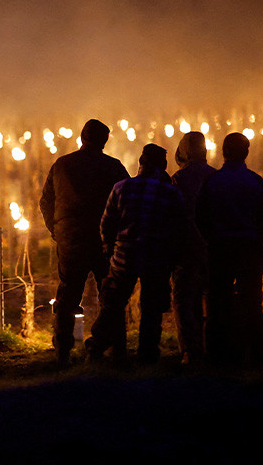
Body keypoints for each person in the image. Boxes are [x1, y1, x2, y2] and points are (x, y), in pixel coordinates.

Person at [86, 144, 188, 364]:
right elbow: (179, 227)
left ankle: (95, 349)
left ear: (140, 164)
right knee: (151, 309)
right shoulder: (170, 192)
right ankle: (147, 356)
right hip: (156, 258)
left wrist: (110, 248)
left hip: (124, 256)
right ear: (163, 166)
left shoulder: (121, 187)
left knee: (113, 305)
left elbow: (106, 224)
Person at [40, 119, 130, 363]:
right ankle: (116, 349)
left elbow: (46, 201)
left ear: (82, 137)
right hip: (104, 241)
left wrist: (57, 230)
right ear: (104, 141)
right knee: (111, 295)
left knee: (68, 294)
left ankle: (62, 351)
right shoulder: (113, 167)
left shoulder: (62, 165)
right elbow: (127, 200)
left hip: (71, 240)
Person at [196, 132, 263, 367]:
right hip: (248, 246)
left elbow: (201, 216)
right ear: (246, 152)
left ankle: (217, 354)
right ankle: (257, 354)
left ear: (223, 152)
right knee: (251, 302)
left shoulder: (212, 182)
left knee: (217, 302)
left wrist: (210, 238)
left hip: (220, 246)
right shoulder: (255, 181)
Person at [170, 131, 215, 365]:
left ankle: (190, 350)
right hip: (215, 247)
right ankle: (215, 347)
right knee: (213, 298)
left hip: (187, 249)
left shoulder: (178, 179)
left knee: (184, 299)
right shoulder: (215, 176)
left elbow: (173, 215)